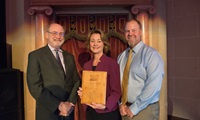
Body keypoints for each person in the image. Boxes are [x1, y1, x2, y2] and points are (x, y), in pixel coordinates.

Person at [27, 23, 81, 120]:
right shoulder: (35, 56)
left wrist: (70, 103)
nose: (58, 36)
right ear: (47, 35)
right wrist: (59, 105)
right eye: (54, 33)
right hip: (48, 111)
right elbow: (34, 86)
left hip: (68, 112)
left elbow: (76, 81)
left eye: (61, 34)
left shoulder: (70, 57)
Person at [117, 19, 164, 120]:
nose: (130, 34)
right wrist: (120, 103)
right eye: (127, 31)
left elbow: (153, 86)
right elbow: (118, 83)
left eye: (134, 30)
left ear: (141, 32)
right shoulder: (121, 56)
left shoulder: (152, 55)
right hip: (124, 110)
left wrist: (135, 108)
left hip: (144, 109)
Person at [77, 29, 121, 120]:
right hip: (90, 111)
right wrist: (83, 93)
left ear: (104, 44)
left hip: (107, 113)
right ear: (89, 44)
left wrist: (105, 105)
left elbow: (116, 91)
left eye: (99, 41)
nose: (95, 44)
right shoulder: (86, 65)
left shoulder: (111, 63)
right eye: (92, 41)